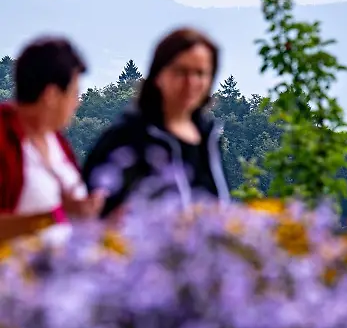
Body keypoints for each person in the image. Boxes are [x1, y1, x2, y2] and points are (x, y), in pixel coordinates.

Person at [82, 27, 230, 218]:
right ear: (159, 75)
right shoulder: (128, 136)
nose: (191, 82)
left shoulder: (208, 135)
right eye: (181, 71)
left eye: (200, 73)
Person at [0, 37, 106, 244]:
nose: (77, 103)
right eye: (74, 93)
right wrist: (56, 216)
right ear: (51, 95)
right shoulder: (4, 138)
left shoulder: (57, 141)